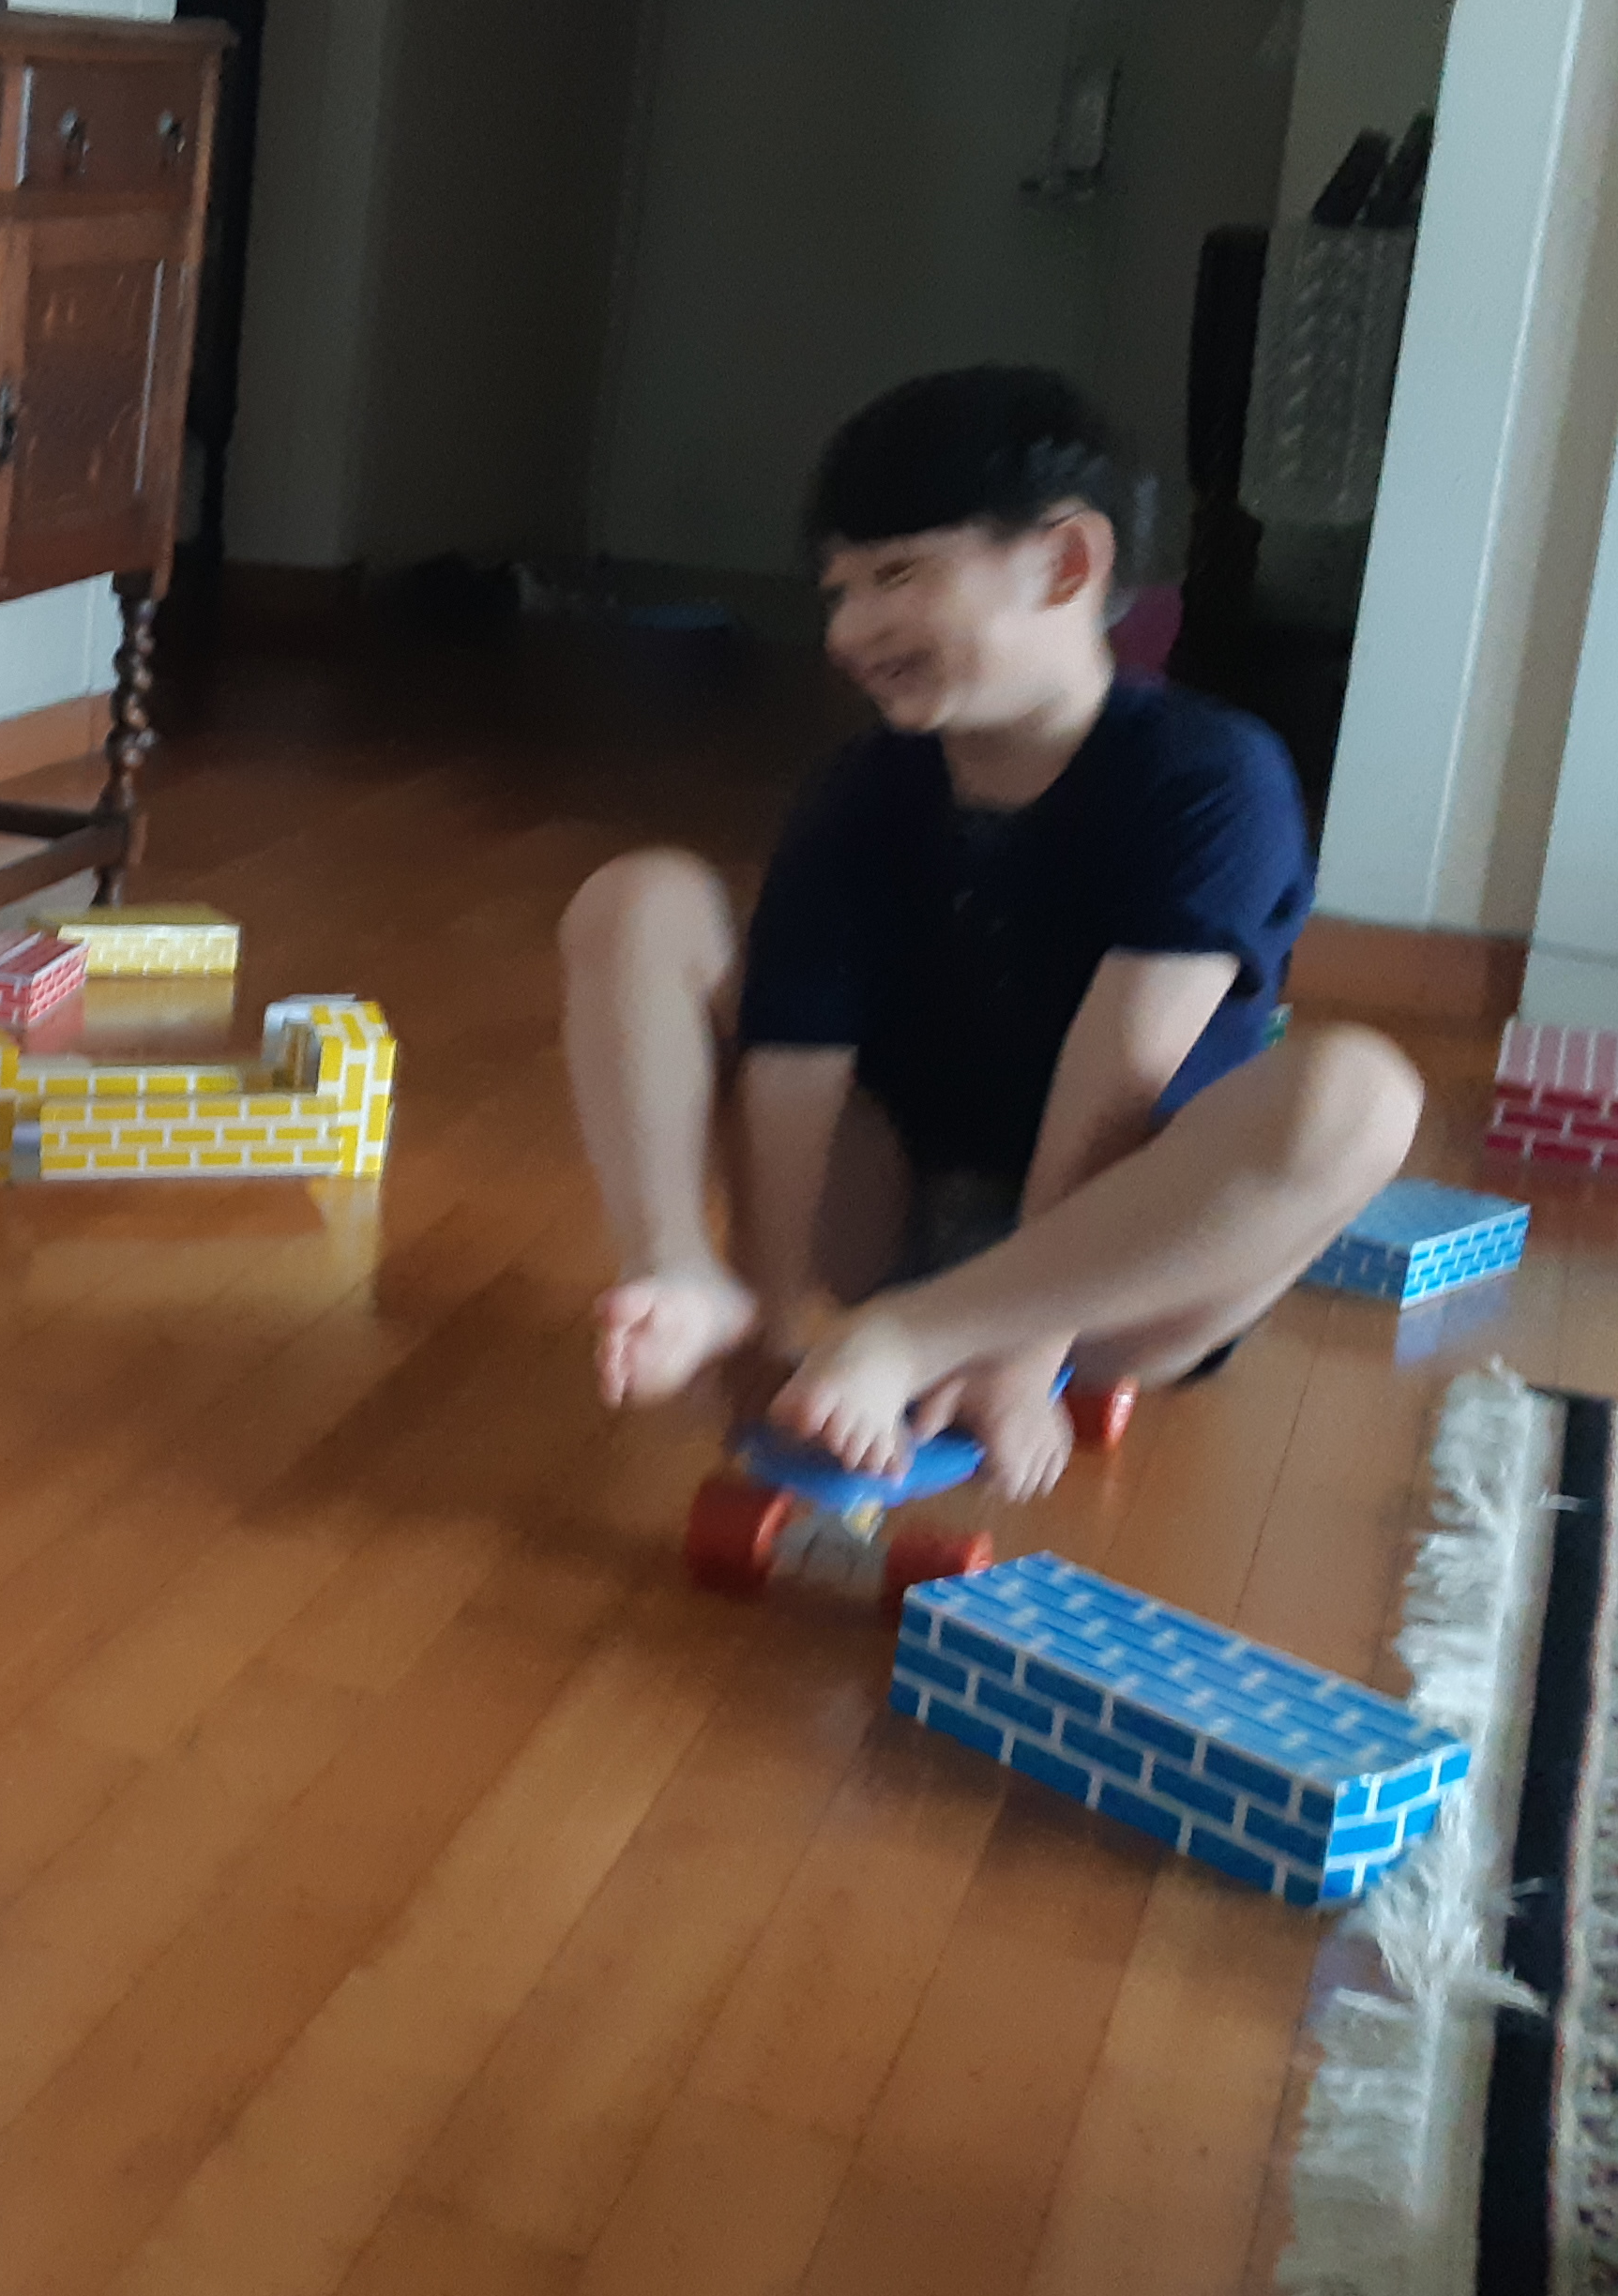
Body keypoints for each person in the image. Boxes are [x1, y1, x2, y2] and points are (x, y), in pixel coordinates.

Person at [560, 365, 1420, 1494]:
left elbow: (1119, 1079)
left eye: (897, 576)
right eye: (838, 591)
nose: (850, 630)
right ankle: (683, 1275)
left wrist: (1020, 1352)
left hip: (1116, 1269)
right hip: (895, 1210)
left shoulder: (1211, 777)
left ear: (1068, 565)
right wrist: (770, 1324)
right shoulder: (859, 790)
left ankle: (922, 1335)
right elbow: (794, 1062)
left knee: (1359, 1093)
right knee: (639, 899)